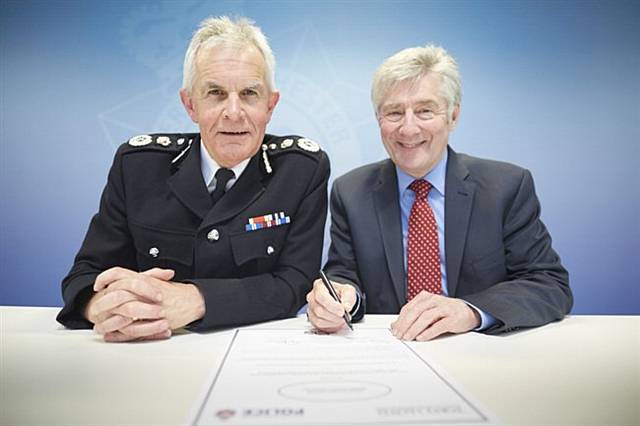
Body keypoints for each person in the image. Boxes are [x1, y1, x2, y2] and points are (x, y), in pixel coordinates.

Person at [57, 16, 329, 342]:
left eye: (249, 94)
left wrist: (194, 300)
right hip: (146, 351)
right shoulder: (138, 166)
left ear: (270, 106)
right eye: (215, 93)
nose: (233, 112)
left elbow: (294, 283)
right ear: (190, 105)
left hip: (252, 352)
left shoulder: (300, 170)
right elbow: (85, 275)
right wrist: (102, 305)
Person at [306, 44, 572, 340]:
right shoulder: (351, 192)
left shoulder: (506, 187)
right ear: (378, 119)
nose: (408, 129)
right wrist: (340, 299)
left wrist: (470, 311)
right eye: (394, 112)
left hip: (480, 356)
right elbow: (344, 276)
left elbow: (549, 284)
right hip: (391, 351)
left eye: (424, 110)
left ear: (453, 116)